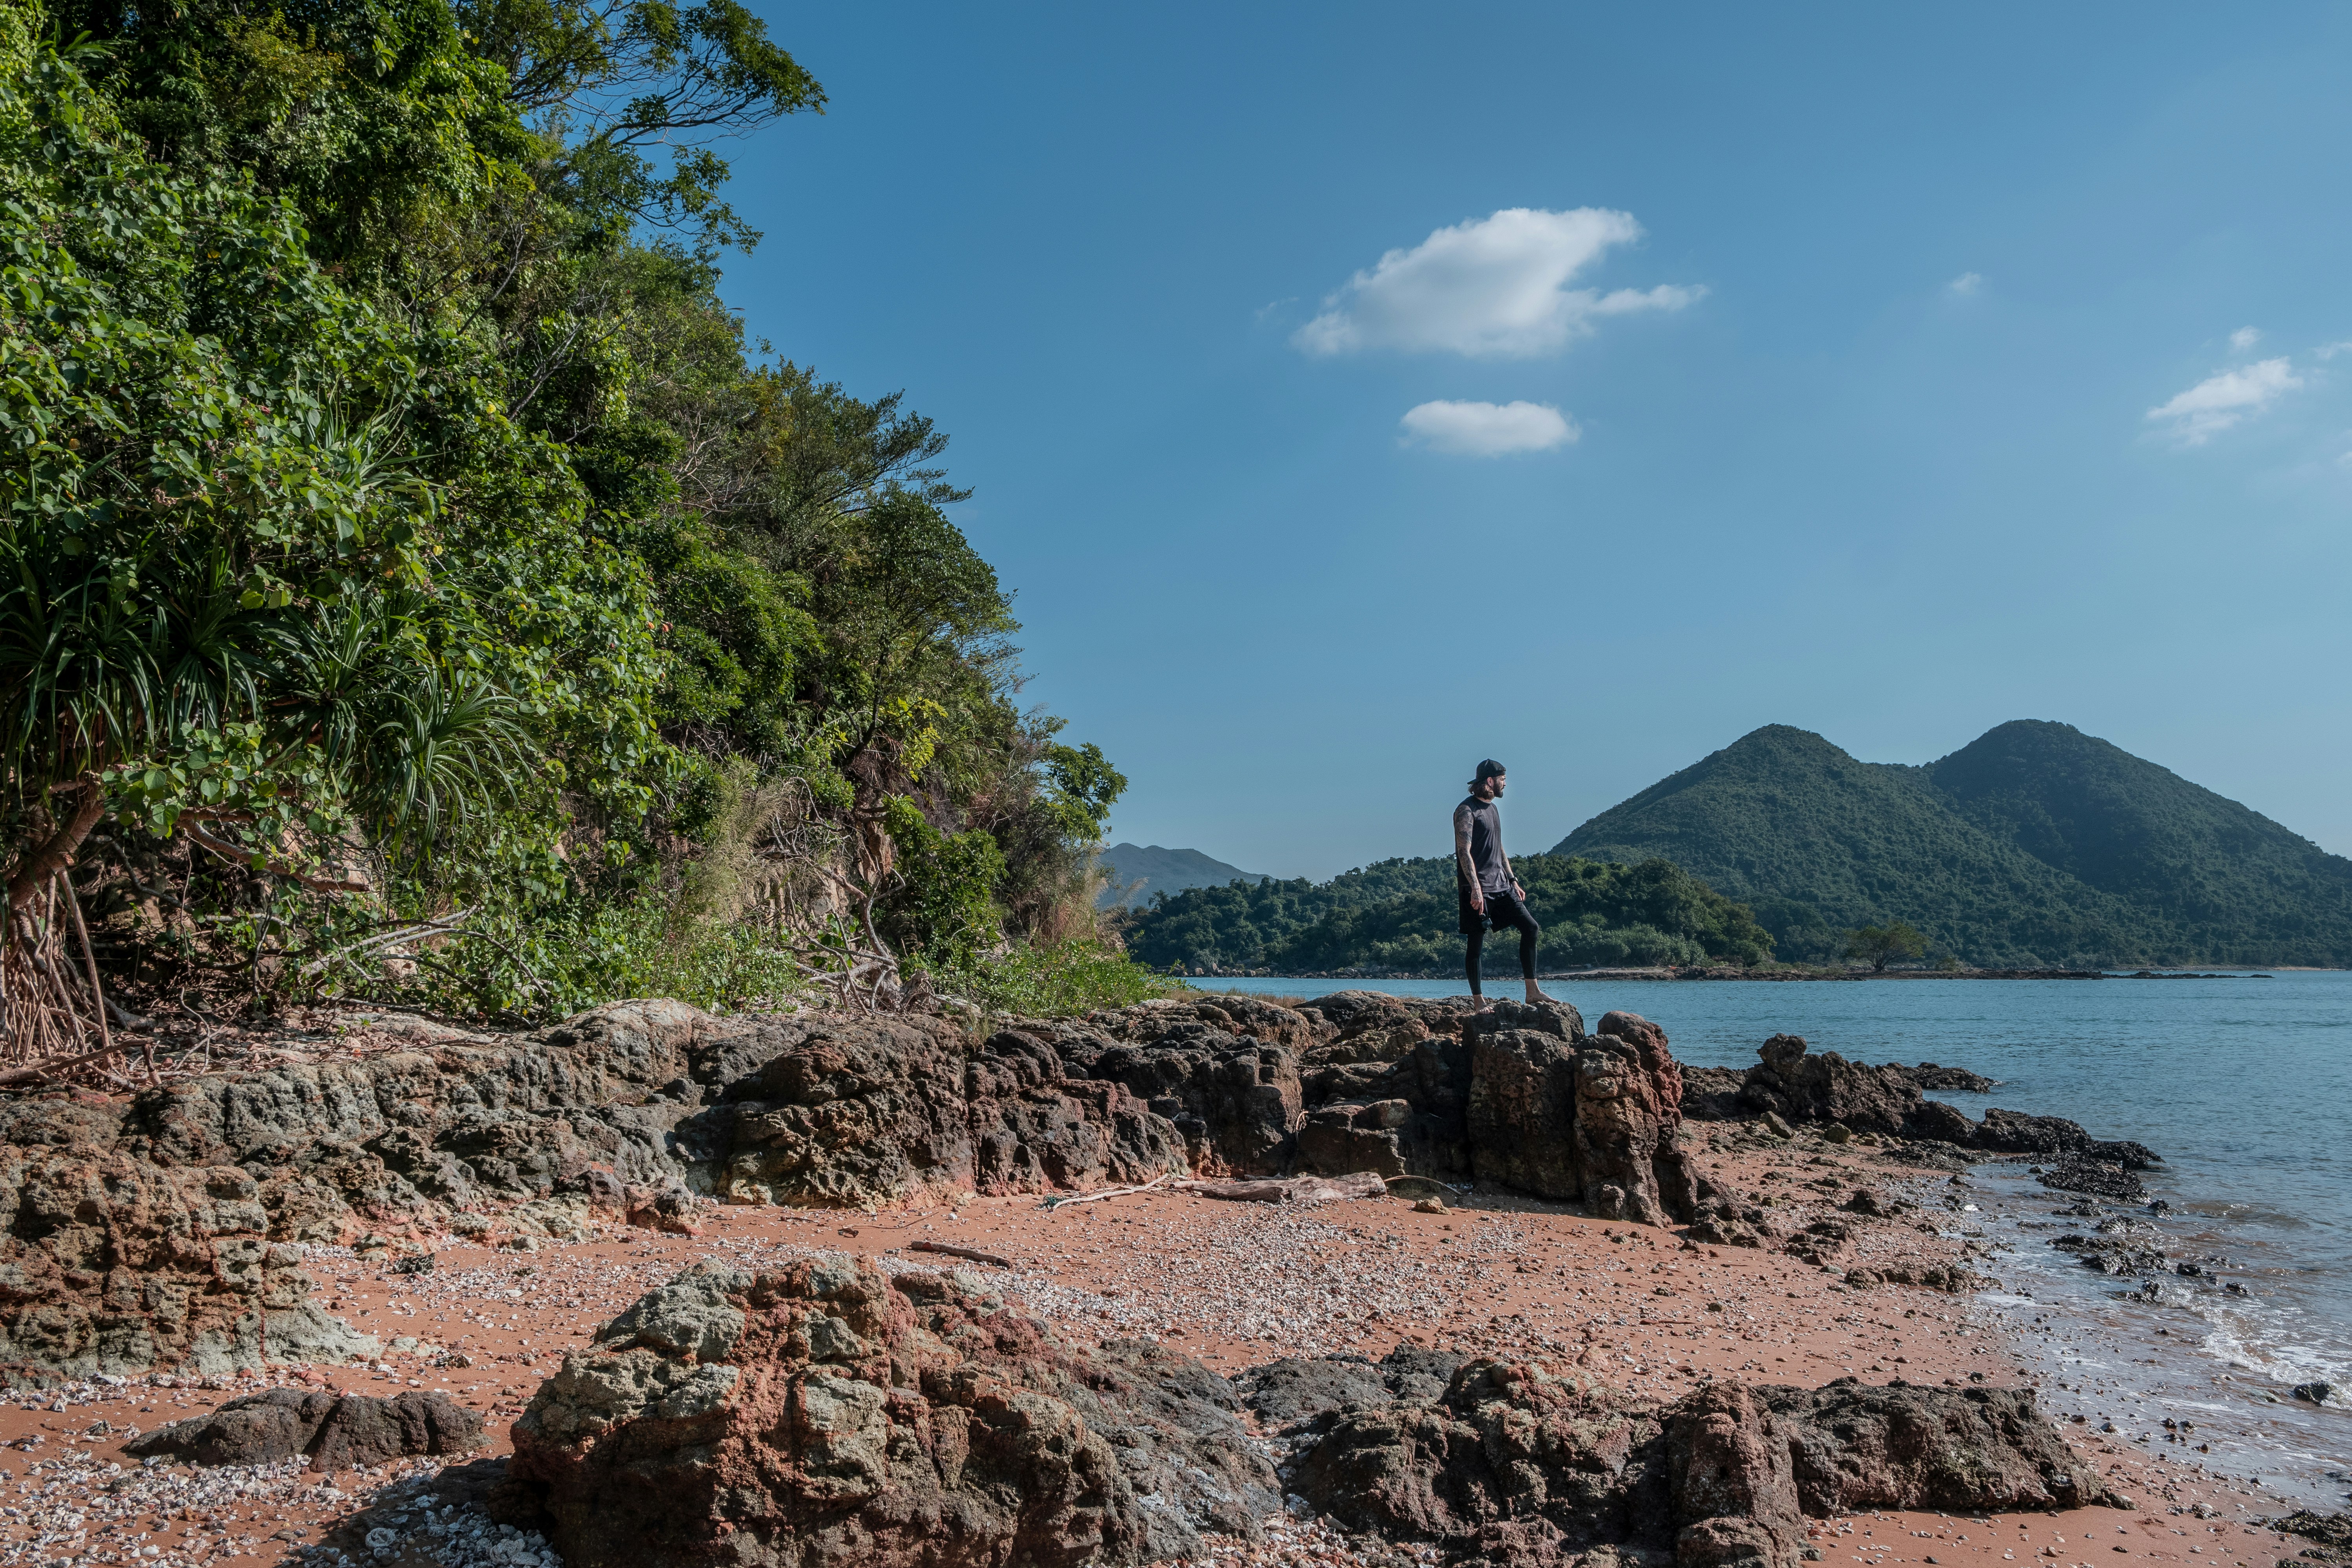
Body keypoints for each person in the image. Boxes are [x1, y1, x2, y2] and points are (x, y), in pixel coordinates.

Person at [1454, 760, 1555, 1005]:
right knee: (1476, 944)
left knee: (1531, 928)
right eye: (1503, 780)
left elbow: (1498, 848)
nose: (1505, 784)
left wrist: (1513, 880)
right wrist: (1476, 888)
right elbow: (1463, 851)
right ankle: (1479, 1002)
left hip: (1502, 886)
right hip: (1477, 889)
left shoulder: (1493, 809)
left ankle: (1533, 992)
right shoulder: (1466, 810)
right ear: (1490, 781)